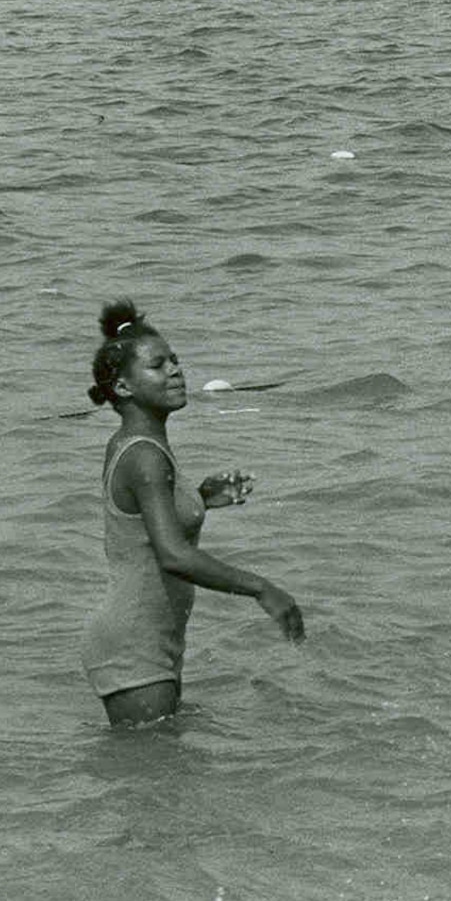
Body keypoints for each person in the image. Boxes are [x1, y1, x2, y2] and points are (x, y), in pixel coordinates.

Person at [82, 299, 304, 725]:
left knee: (160, 779)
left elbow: (141, 527)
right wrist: (262, 589)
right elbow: (172, 555)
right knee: (154, 782)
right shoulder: (145, 456)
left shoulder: (140, 444)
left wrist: (197, 499)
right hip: (135, 644)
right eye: (157, 365)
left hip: (145, 639)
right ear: (124, 388)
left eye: (176, 361)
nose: (175, 371)